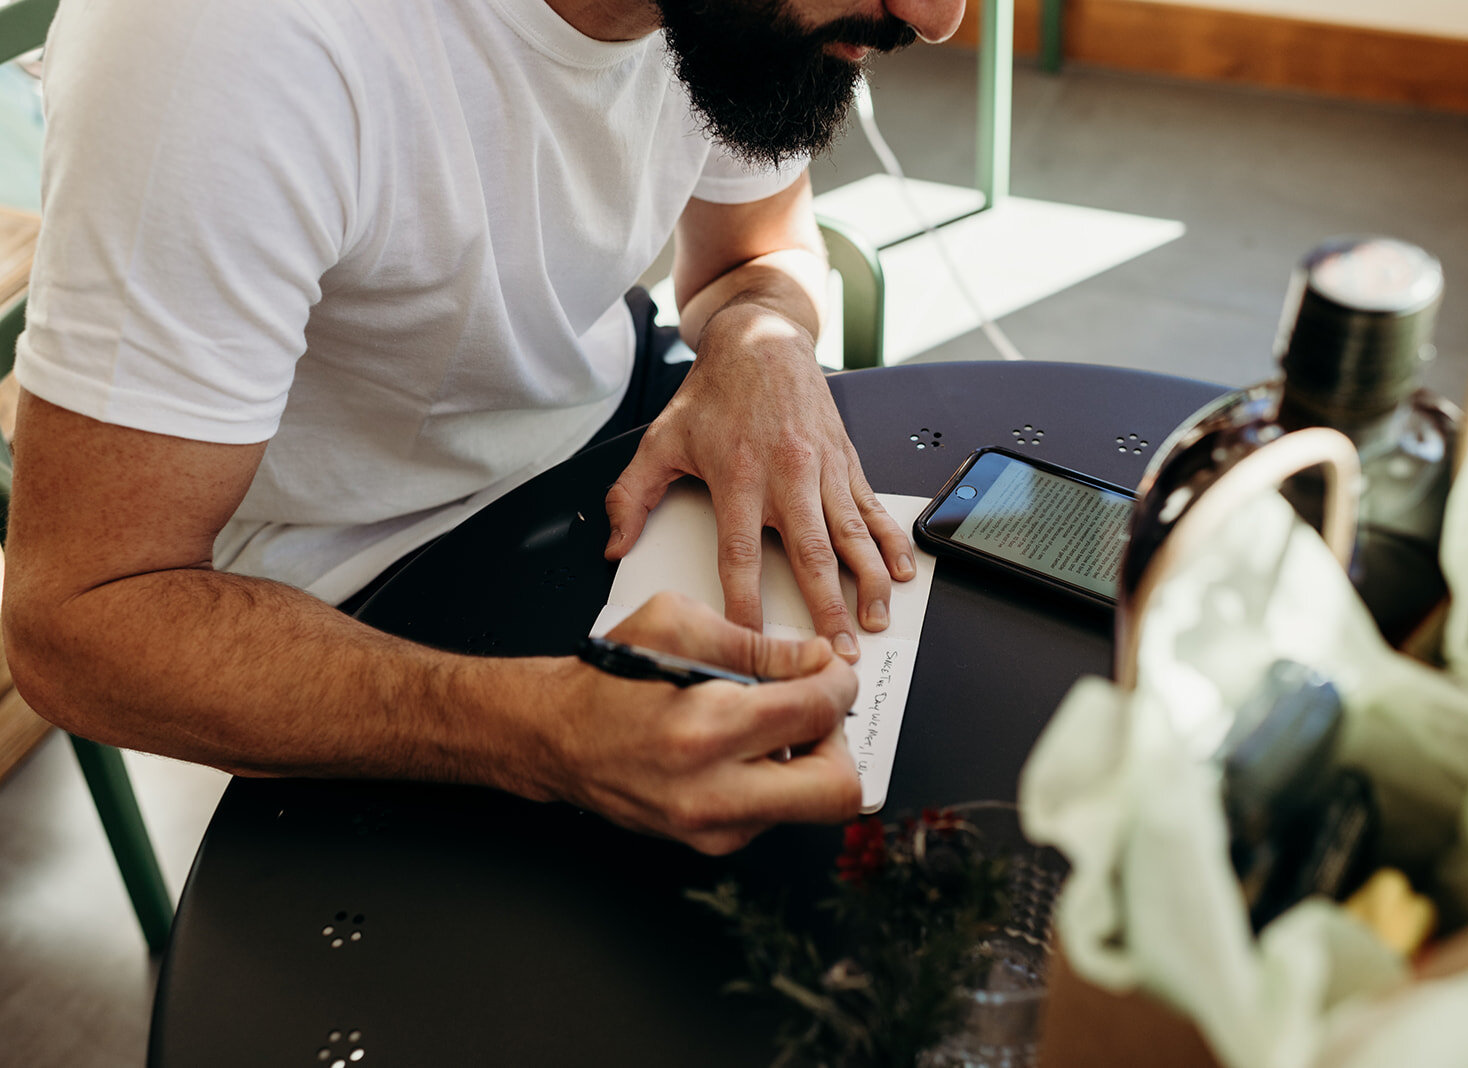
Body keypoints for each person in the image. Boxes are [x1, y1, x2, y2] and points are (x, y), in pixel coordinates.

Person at [0, 0, 965, 855]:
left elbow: (755, 248)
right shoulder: (226, 39)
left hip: (615, 422)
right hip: (363, 583)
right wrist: (540, 733)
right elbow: (77, 620)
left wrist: (761, 337)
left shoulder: (716, 19)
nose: (939, 19)